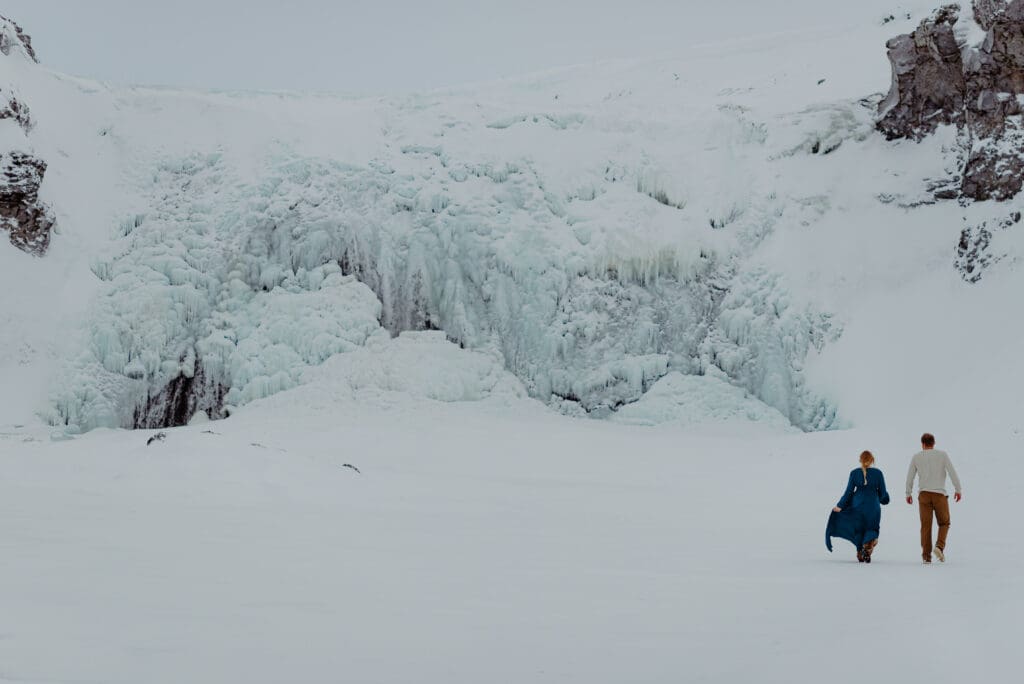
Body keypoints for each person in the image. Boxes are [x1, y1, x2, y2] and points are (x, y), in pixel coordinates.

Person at [906, 433, 962, 564]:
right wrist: (958, 489)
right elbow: (952, 472)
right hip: (939, 495)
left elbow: (910, 477)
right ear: (934, 443)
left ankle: (926, 556)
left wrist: (908, 493)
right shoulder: (942, 455)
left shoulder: (916, 457)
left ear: (923, 444)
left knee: (926, 526)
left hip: (924, 495)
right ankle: (939, 547)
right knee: (944, 523)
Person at [826, 450, 890, 562]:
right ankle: (868, 545)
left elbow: (848, 493)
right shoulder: (878, 473)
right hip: (873, 507)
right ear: (872, 460)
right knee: (872, 528)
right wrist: (884, 499)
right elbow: (883, 494)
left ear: (860, 460)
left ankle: (860, 552)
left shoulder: (854, 473)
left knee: (859, 529)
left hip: (857, 505)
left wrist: (839, 506)